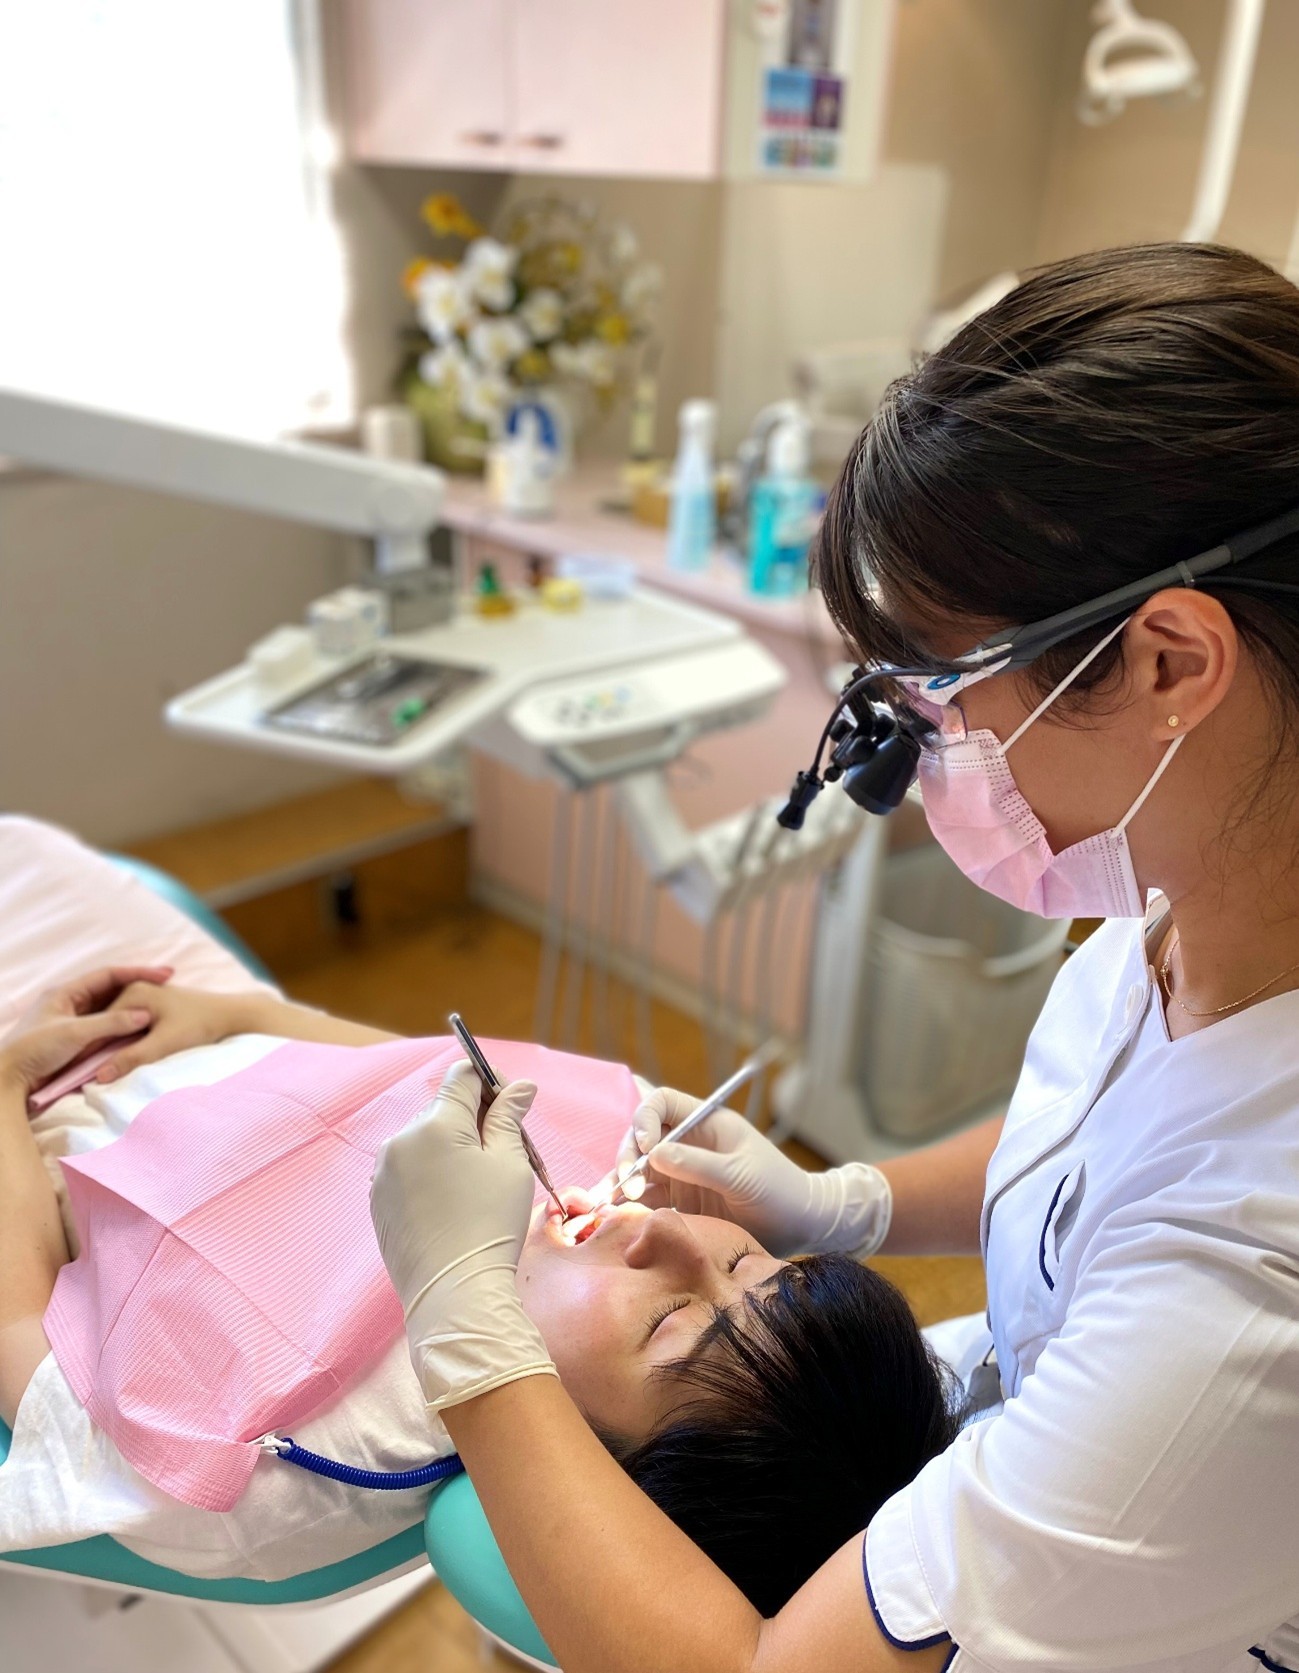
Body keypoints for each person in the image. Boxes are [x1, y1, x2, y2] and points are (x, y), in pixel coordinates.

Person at [369, 242, 1299, 1673]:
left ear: (1169, 663)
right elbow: (1107, 1136)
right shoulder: (1199, 886)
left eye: (933, 695)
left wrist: (464, 1325)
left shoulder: (1246, 1293)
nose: (916, 755)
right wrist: (844, 1203)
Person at [0, 971, 956, 1605]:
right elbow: (400, 1072)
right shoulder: (630, 1150)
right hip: (185, 1040)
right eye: (753, 1264)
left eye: (672, 1319)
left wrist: (4, 1083)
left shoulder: (284, 1469)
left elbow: (18, 1328)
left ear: (585, 1468)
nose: (665, 1230)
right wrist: (234, 1015)